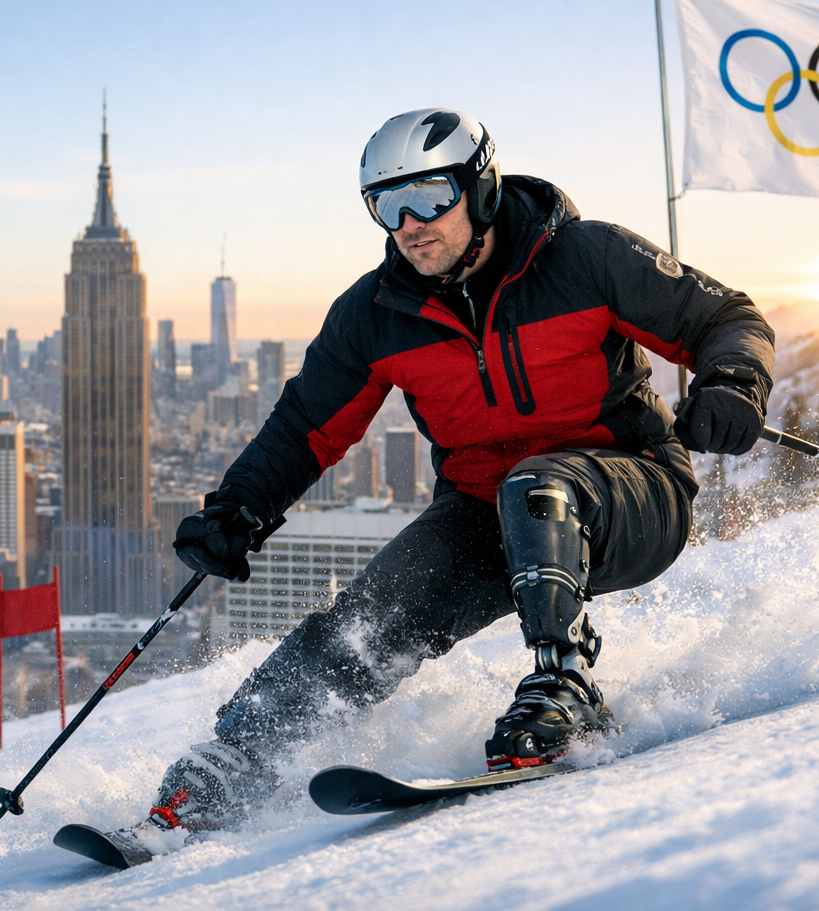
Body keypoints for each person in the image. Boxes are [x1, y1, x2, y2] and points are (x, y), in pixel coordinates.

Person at [146, 109, 774, 832]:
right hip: (485, 514)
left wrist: (731, 381)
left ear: (479, 188)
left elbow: (725, 316)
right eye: (387, 205)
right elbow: (305, 428)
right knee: (369, 616)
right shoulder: (376, 313)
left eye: (430, 196)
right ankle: (236, 760)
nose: (410, 223)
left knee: (538, 485)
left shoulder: (587, 257)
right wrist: (239, 508)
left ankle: (564, 684)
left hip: (629, 493)